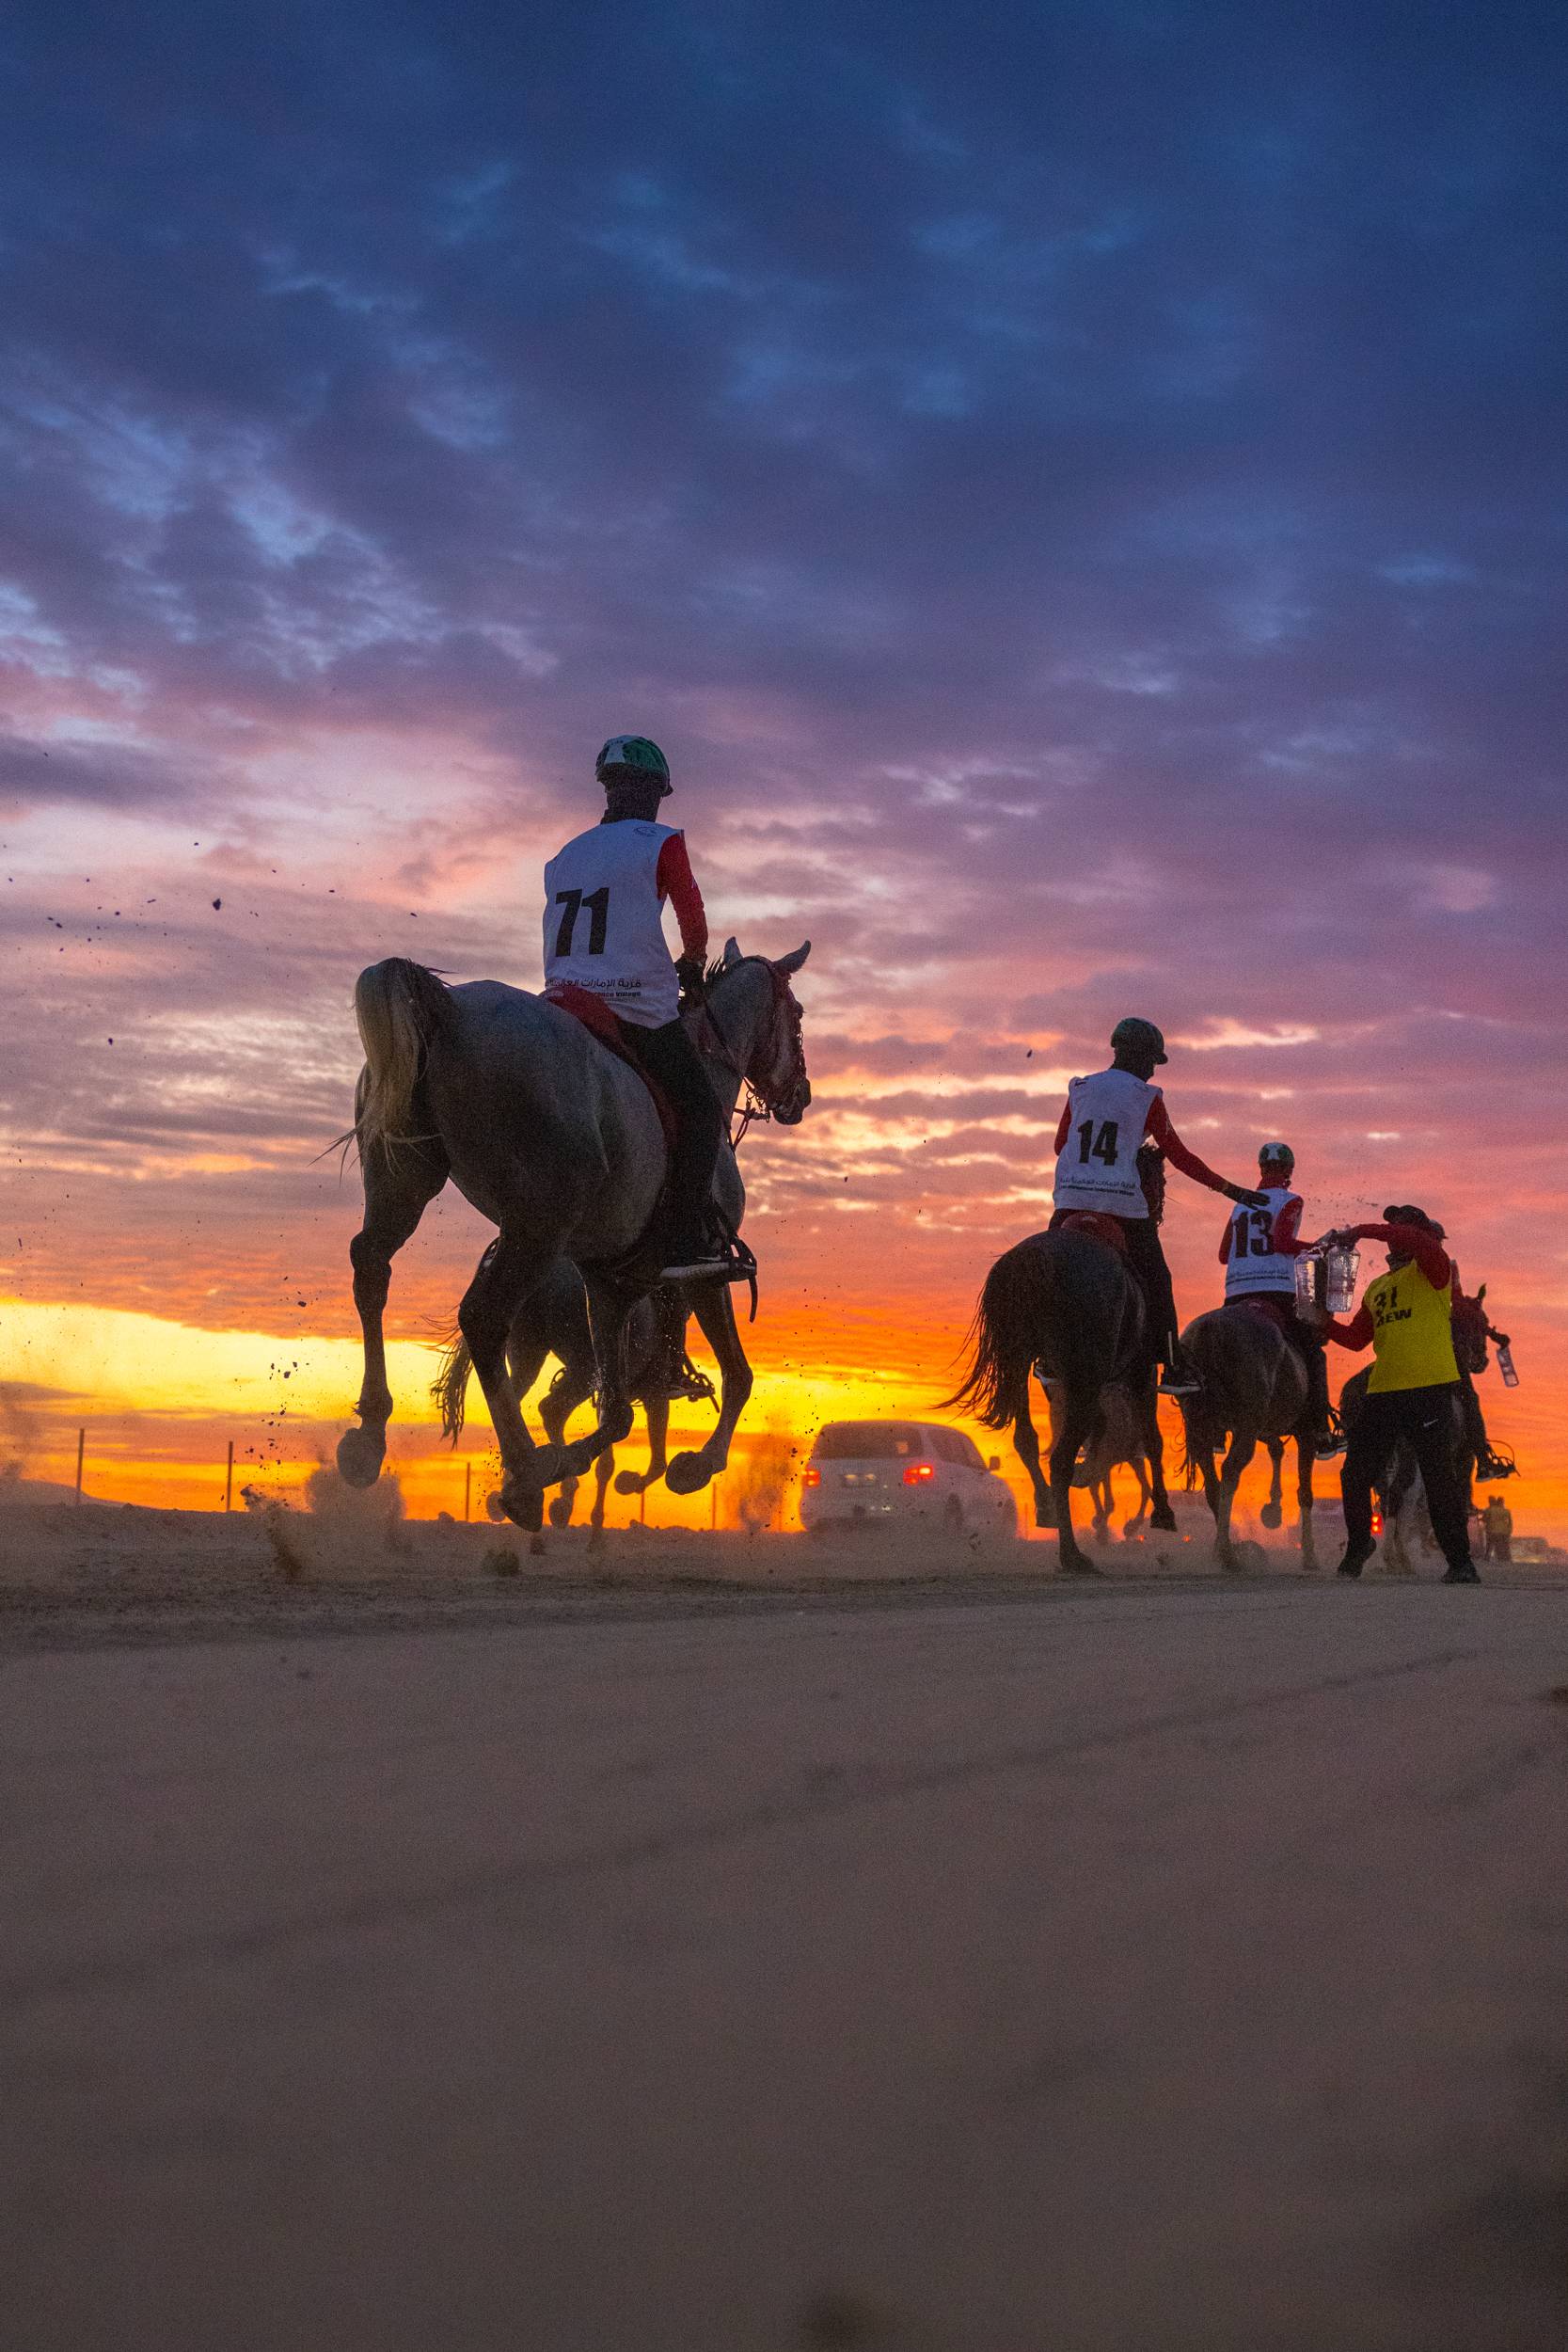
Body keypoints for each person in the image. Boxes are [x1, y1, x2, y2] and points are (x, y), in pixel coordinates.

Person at [543, 735, 728, 1280]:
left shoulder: (564, 855)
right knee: (700, 1114)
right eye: (655, 791)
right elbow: (692, 921)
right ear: (650, 791)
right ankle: (682, 1244)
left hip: (563, 997)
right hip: (635, 1003)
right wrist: (692, 966)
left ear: (608, 787)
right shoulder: (662, 841)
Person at [1051, 1018, 1269, 1395]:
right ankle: (1172, 1365)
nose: (1153, 1069)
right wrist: (1230, 1190)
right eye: (1152, 1060)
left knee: (1050, 1271)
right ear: (1138, 1055)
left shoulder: (1080, 1088)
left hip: (1069, 1199)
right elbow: (1180, 1157)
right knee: (1158, 1281)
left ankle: (1046, 1352)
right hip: (1121, 1203)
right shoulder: (1146, 1097)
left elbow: (1060, 1146)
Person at [1308, 1204, 1480, 1583]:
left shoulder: (1435, 1269)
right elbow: (1356, 1340)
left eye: (1398, 1228)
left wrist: (1359, 1230)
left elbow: (1412, 1239)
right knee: (1354, 1475)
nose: (1393, 1235)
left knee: (1439, 1479)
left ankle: (1461, 1562)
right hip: (1383, 1391)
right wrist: (1323, 1322)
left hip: (1430, 1389)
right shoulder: (1377, 1287)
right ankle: (1358, 1547)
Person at [1216, 1140, 1337, 1450]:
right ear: (1288, 1171)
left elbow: (1222, 1255)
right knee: (1312, 1351)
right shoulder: (1291, 1200)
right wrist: (1320, 1247)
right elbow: (1282, 1243)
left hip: (1236, 1291)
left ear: (1261, 1169)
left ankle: (1215, 1427)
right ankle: (1320, 1429)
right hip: (1275, 1288)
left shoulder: (1240, 1203)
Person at [1481, 1493, 1513, 1562]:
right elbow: (1510, 1522)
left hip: (1491, 1530)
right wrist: (1509, 1530)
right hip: (1504, 1531)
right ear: (1502, 1502)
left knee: (1489, 1545)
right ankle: (1503, 1559)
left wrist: (1480, 1519)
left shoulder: (1490, 1510)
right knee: (1502, 1546)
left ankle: (1487, 1559)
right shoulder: (1506, 1511)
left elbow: (1485, 1519)